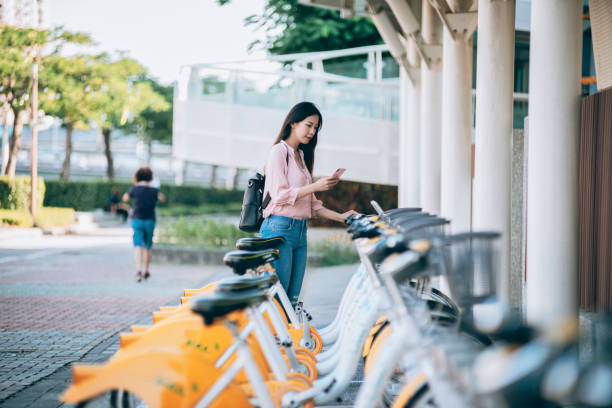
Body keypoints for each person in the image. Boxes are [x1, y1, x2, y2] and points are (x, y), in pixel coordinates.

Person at [259, 101, 357, 310]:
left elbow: (312, 206)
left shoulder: (302, 156)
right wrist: (315, 185)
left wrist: (343, 217)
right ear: (293, 123)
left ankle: (289, 342)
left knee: (292, 300)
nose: (312, 132)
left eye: (316, 128)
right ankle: (272, 341)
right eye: (309, 125)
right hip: (278, 229)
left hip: (299, 232)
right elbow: (279, 195)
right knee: (279, 301)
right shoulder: (278, 152)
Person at [122, 167, 165, 282]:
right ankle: (146, 270)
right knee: (148, 245)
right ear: (150, 178)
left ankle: (138, 271)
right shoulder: (154, 190)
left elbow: (125, 198)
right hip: (150, 220)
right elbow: (162, 198)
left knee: (138, 245)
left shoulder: (134, 189)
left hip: (137, 220)